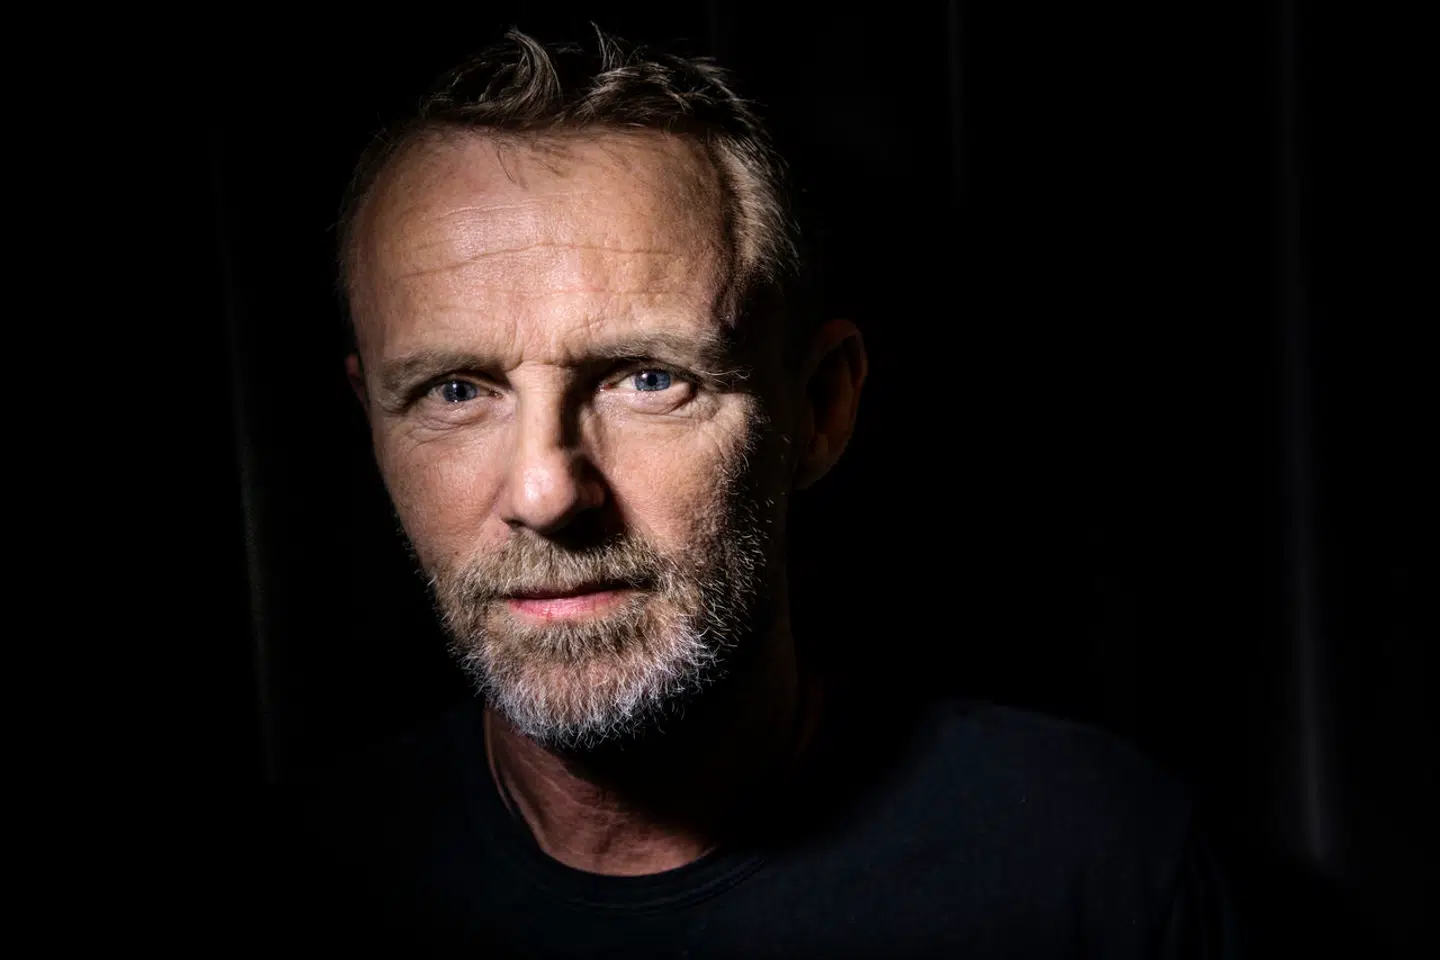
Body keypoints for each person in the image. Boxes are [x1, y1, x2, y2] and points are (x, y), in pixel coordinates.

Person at [266, 27, 1241, 957]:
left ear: (820, 408)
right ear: (371, 424)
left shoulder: (1096, 864)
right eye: (455, 391)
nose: (546, 491)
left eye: (649, 379)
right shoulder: (299, 880)